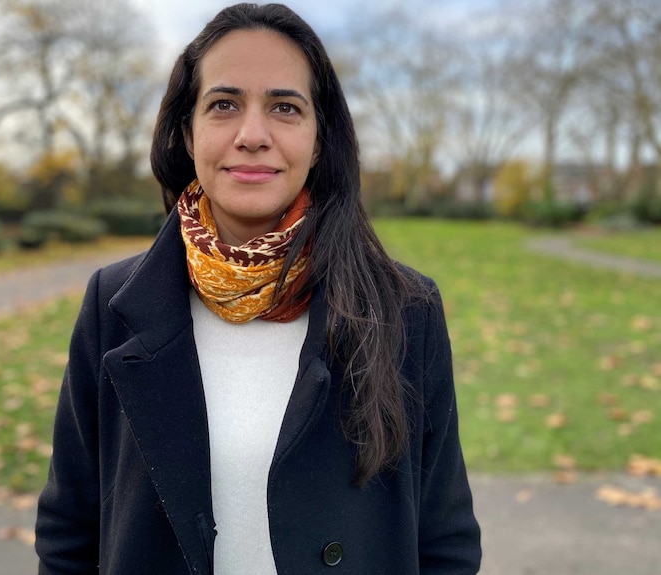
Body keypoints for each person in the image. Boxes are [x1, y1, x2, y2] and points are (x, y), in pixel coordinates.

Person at [35, 3, 481, 574]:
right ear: (187, 133)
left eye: (284, 107)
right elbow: (69, 532)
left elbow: (446, 542)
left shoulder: (403, 312)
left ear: (319, 140)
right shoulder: (112, 306)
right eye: (223, 105)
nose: (252, 135)